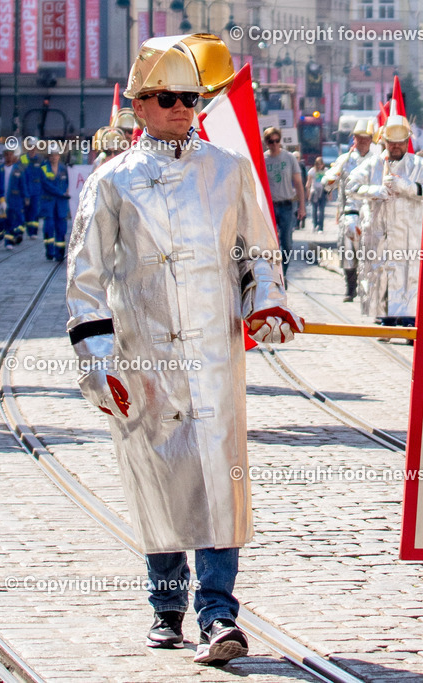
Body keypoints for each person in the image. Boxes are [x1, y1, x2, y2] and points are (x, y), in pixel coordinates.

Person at [66, 33, 303, 667]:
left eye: (190, 98)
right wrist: (98, 362)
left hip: (215, 359)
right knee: (160, 478)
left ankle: (219, 613)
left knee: (220, 482)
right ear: (139, 106)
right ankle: (166, 606)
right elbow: (85, 278)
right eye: (167, 98)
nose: (180, 109)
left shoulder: (228, 169)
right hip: (143, 358)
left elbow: (258, 249)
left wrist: (268, 304)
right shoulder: (111, 183)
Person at [346, 113, 423, 325]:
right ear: (385, 142)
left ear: (407, 142)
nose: (396, 147)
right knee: (381, 273)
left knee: (410, 276)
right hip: (380, 233)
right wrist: (375, 190)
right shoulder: (373, 165)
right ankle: (385, 317)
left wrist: (408, 187)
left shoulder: (420, 165)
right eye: (392, 143)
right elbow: (350, 186)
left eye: (400, 142)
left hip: (410, 233)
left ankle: (409, 319)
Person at [323, 119, 377, 302]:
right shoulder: (344, 160)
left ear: (371, 139)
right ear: (353, 138)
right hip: (349, 213)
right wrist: (331, 178)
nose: (362, 141)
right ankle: (350, 288)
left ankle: (366, 290)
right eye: (359, 137)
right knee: (348, 254)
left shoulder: (377, 160)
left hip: (371, 214)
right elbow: (328, 183)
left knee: (369, 255)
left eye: (366, 138)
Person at [262, 126, 305, 274]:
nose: (274, 144)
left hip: (287, 205)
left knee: (286, 243)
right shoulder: (263, 159)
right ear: (266, 142)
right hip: (270, 207)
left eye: (276, 141)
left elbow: (299, 183)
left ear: (280, 141)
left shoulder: (289, 158)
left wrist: (302, 206)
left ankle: (283, 273)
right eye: (270, 141)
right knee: (271, 243)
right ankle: (274, 273)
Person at [40, 142, 70, 261]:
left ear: (59, 156)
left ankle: (60, 252)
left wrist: (67, 191)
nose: (54, 157)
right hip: (49, 203)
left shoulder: (64, 168)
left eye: (56, 155)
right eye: (52, 155)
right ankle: (49, 250)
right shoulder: (43, 168)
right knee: (49, 226)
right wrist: (60, 192)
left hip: (61, 204)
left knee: (61, 227)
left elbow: (69, 182)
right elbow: (46, 184)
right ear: (48, 156)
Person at [0, 148, 27, 249]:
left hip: (14, 199)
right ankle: (4, 236)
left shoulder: (18, 170)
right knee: (2, 221)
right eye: (6, 155)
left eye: (10, 155)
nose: (9, 157)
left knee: (12, 219)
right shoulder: (0, 169)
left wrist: (26, 197)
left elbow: (23, 184)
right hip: (1, 199)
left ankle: (9, 241)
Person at [20, 137, 45, 238]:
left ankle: (33, 232)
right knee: (26, 210)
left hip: (36, 189)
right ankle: (26, 229)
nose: (33, 148)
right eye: (31, 146)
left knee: (35, 210)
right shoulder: (23, 159)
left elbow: (44, 174)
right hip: (25, 187)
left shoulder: (40, 159)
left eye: (34, 147)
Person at [306, 156, 327, 232]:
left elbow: (328, 183)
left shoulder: (326, 171)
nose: (319, 166)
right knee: (314, 209)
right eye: (318, 164)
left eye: (321, 164)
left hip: (323, 191)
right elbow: (308, 182)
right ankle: (315, 225)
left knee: (321, 210)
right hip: (314, 191)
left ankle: (321, 227)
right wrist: (308, 193)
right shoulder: (312, 171)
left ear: (323, 164)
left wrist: (329, 193)